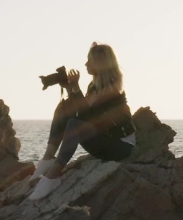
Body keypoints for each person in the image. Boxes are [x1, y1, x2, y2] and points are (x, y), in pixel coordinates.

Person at [29, 42, 136, 200]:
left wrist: (76, 87)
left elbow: (86, 115)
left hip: (120, 146)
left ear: (100, 63)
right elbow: (80, 110)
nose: (86, 64)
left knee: (74, 124)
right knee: (64, 108)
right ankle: (47, 159)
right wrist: (69, 88)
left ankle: (53, 176)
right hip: (104, 139)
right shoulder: (94, 86)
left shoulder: (112, 87)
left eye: (89, 60)